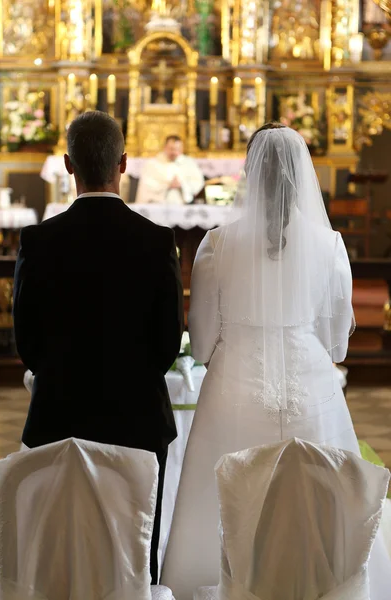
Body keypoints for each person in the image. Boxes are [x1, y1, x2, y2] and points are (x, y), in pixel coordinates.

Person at [161, 123, 391, 599]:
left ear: (248, 172)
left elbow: (200, 345)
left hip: (233, 390)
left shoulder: (216, 244)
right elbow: (338, 346)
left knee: (225, 498)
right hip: (310, 388)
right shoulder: (329, 246)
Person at [13, 110, 184, 584]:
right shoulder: (156, 241)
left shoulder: (38, 240)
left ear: (68, 166)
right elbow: (168, 342)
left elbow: (26, 343)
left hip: (57, 416)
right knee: (135, 549)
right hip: (138, 421)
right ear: (124, 163)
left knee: (60, 550)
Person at [135, 135, 204, 205]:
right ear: (164, 148)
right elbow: (147, 184)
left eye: (177, 149)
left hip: (182, 205)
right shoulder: (152, 164)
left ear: (182, 149)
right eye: (171, 149)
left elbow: (197, 182)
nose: (174, 152)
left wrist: (182, 185)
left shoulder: (189, 163)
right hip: (158, 205)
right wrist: (167, 185)